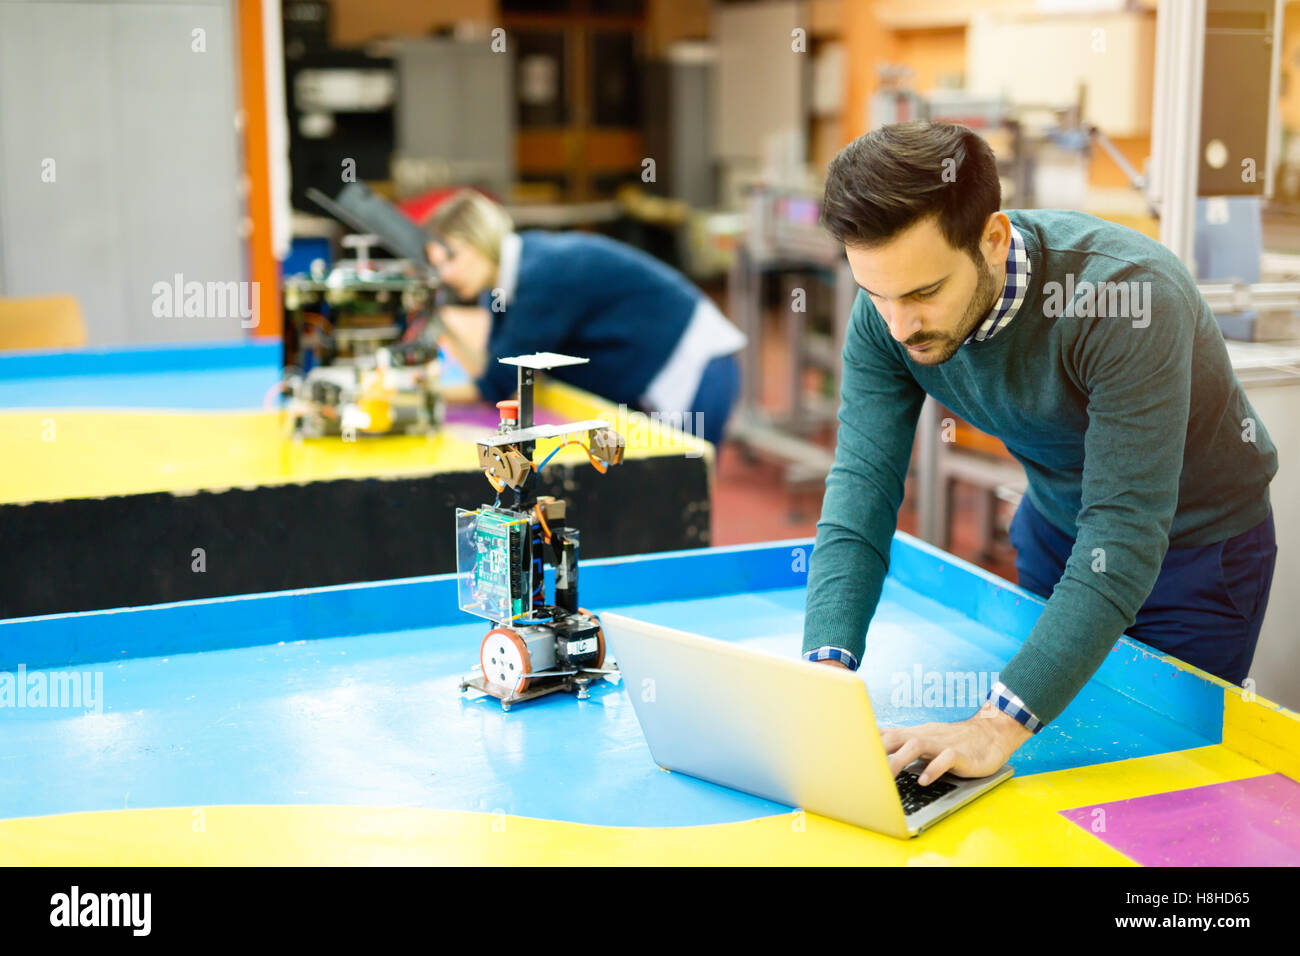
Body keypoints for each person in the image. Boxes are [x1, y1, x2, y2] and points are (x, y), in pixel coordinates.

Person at [805, 121, 1279, 786]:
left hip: (1196, 552)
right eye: (876, 294)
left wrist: (995, 724)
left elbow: (1124, 531)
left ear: (993, 241)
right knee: (1045, 769)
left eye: (922, 293)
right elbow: (861, 483)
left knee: (1158, 777)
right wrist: (824, 672)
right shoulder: (886, 316)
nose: (899, 325)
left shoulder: (1127, 300)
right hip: (1057, 526)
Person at [425, 189, 745, 446]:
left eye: (452, 257)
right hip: (653, 373)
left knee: (682, 491)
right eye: (437, 264)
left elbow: (494, 385)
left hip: (696, 364)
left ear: (480, 239)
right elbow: (494, 368)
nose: (445, 274)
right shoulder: (505, 281)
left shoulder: (541, 277)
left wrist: (408, 395)